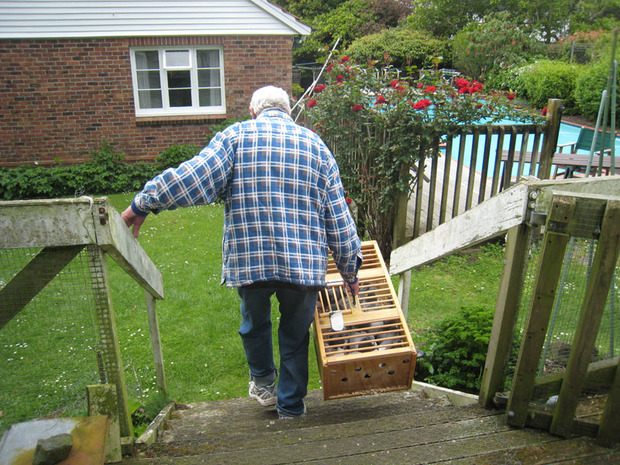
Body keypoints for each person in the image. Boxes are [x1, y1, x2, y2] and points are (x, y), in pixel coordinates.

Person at [121, 85, 362, 419]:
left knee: (254, 324)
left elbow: (194, 178)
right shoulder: (317, 146)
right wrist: (351, 271)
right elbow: (338, 216)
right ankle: (291, 408)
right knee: (295, 336)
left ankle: (263, 384)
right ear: (288, 112)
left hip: (252, 260)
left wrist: (142, 203)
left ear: (253, 111)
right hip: (304, 265)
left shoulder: (236, 137)